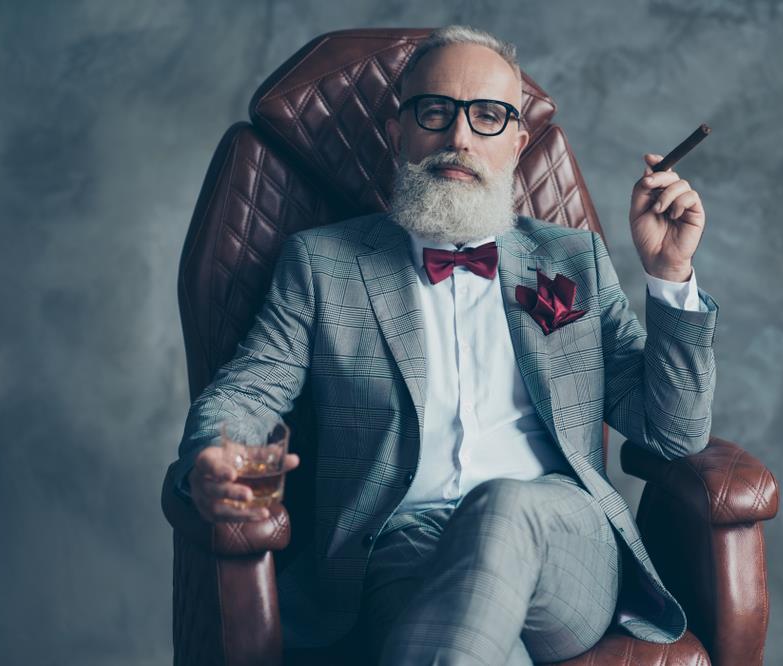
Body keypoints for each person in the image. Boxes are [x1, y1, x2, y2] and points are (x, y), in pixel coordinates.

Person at [174, 24, 717, 666]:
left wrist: (669, 275)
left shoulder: (573, 260)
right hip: (396, 547)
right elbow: (249, 389)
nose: (459, 138)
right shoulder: (321, 264)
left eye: (487, 116)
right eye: (436, 112)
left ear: (517, 142)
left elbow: (672, 432)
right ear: (399, 131)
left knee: (505, 508)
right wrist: (214, 454)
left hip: (562, 544)